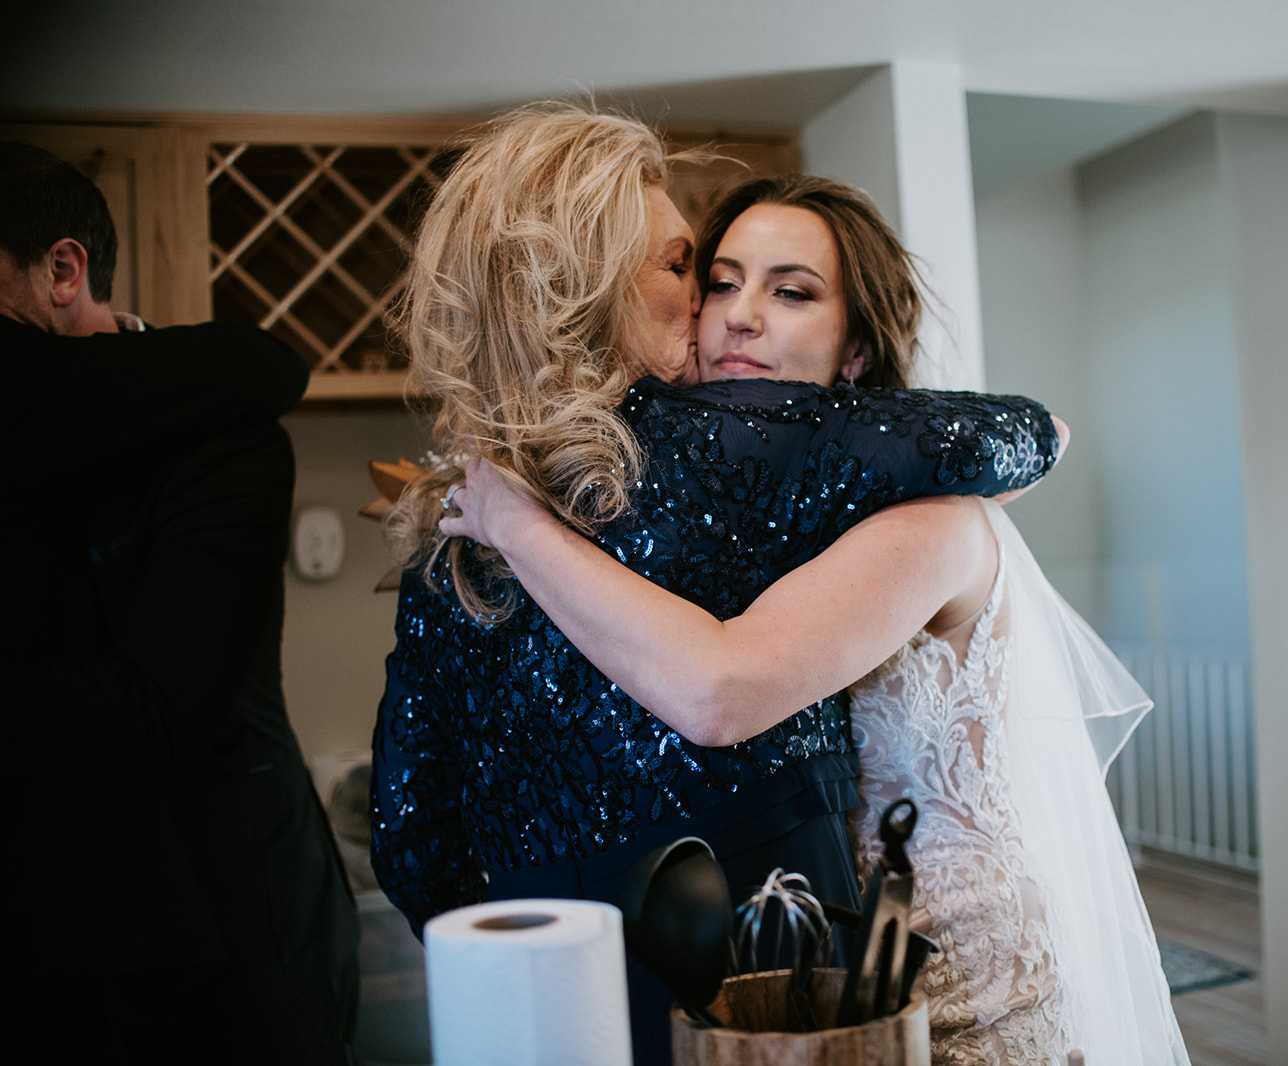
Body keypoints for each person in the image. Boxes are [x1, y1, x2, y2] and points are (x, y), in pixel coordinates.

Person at [439, 173, 1190, 1065]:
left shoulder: (928, 522)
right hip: (836, 961)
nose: (739, 316)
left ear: (857, 359)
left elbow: (721, 689)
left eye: (790, 292)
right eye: (720, 282)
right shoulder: (749, 517)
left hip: (960, 984)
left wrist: (513, 524)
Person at [2, 140, 360, 1064]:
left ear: (61, 272)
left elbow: (156, 716)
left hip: (235, 926)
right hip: (60, 936)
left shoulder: (221, 442)